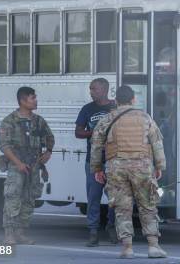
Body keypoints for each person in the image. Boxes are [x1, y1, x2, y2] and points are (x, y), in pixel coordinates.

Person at [90, 85, 167, 259]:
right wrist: (160, 166)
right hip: (142, 167)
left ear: (116, 101)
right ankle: (153, 246)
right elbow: (157, 143)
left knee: (122, 208)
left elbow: (96, 145)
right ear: (133, 99)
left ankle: (127, 248)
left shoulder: (107, 119)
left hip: (116, 168)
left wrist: (96, 168)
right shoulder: (145, 118)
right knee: (148, 205)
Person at [0, 86, 54, 245]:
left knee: (29, 199)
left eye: (35, 97)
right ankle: (9, 234)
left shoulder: (39, 121)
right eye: (32, 98)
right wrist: (18, 163)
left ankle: (20, 233)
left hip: (34, 165)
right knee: (13, 198)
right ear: (23, 101)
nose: (36, 101)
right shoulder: (10, 121)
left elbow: (50, 137)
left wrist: (48, 152)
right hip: (17, 166)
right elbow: (4, 146)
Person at [75, 78, 117, 246]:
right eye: (90, 89)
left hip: (114, 160)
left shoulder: (115, 107)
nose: (91, 92)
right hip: (93, 161)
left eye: (94, 89)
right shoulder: (87, 109)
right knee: (93, 197)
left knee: (115, 198)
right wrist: (94, 132)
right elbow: (78, 132)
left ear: (105, 89)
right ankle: (93, 231)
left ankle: (112, 226)